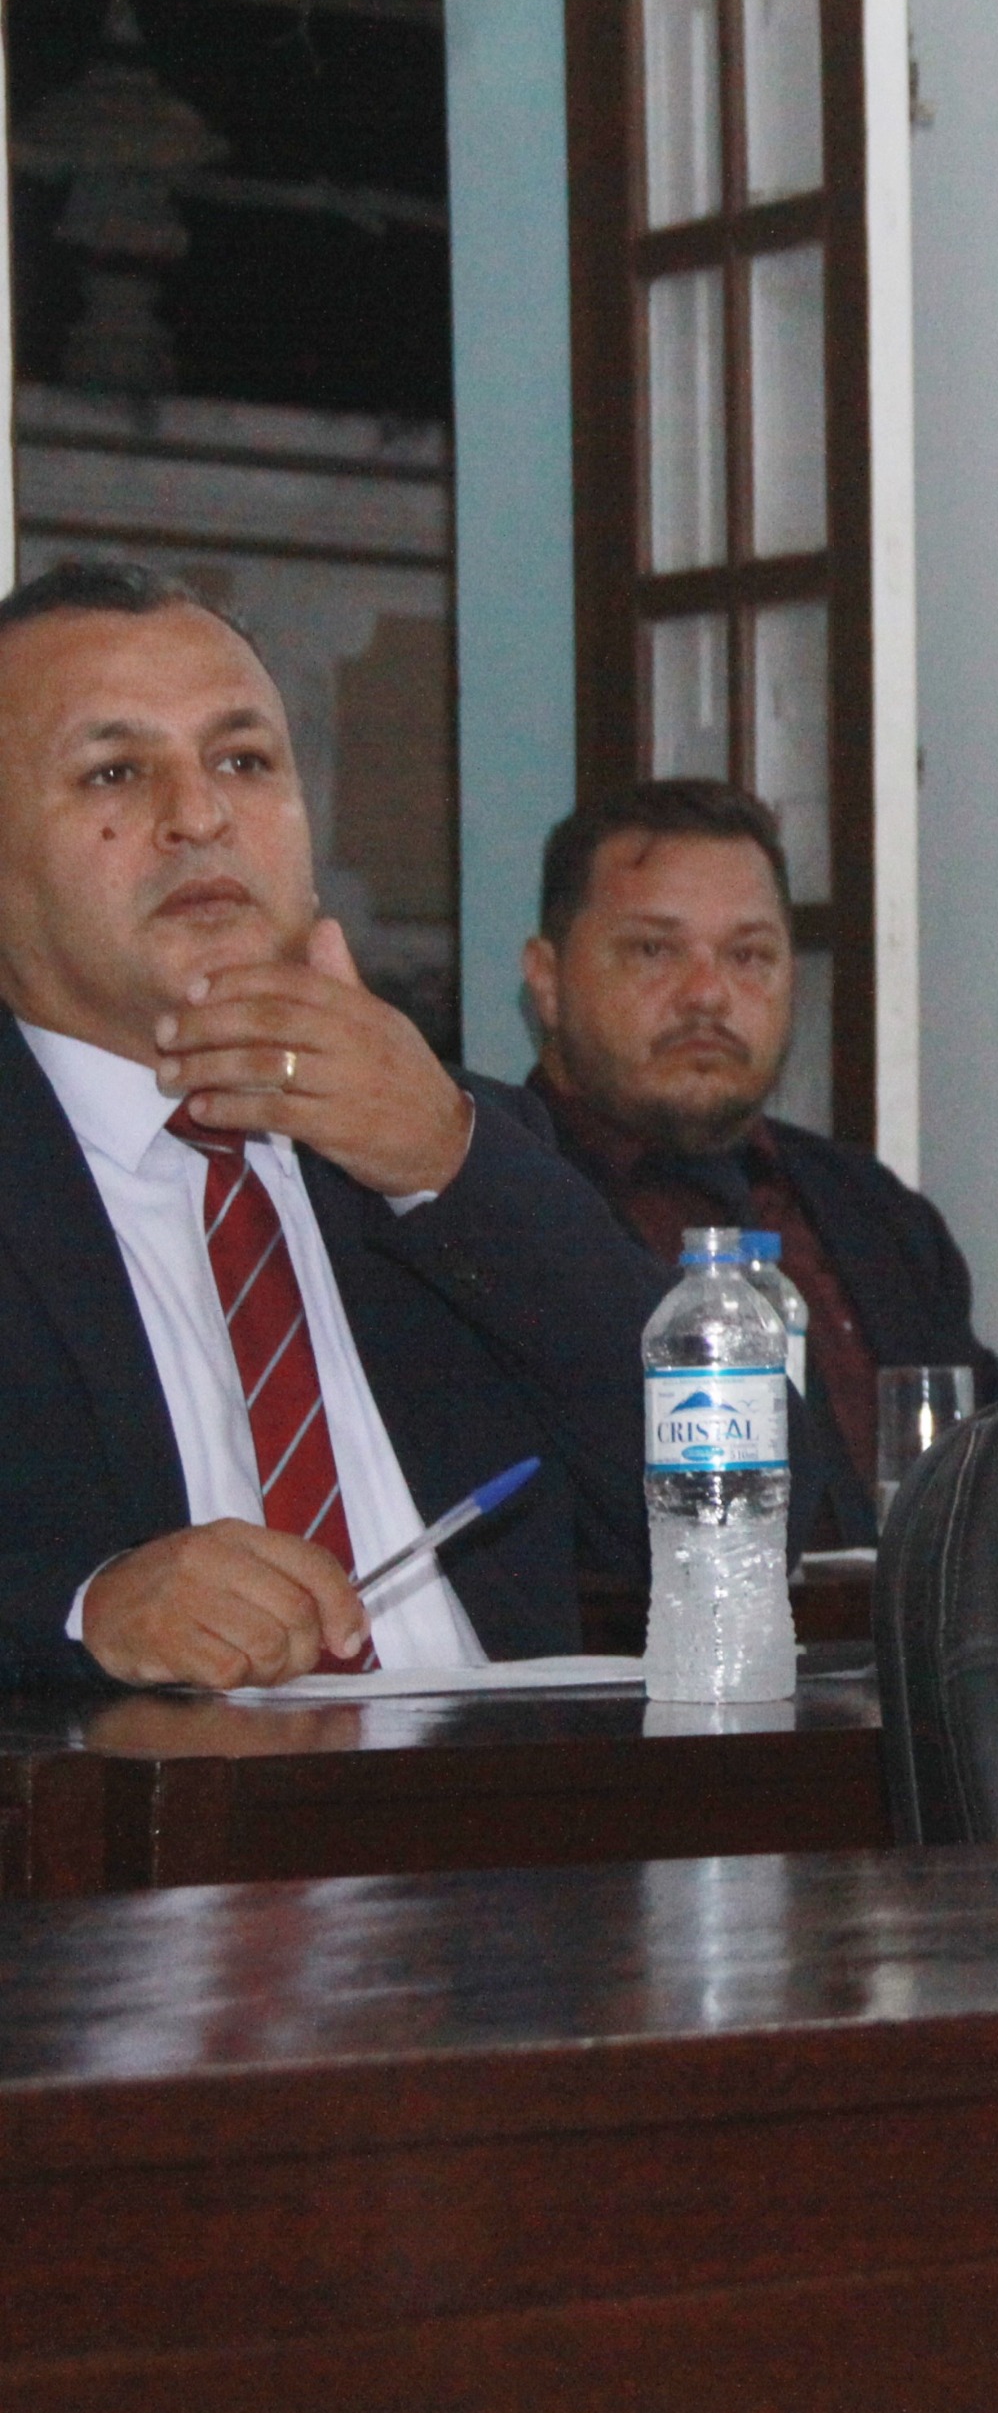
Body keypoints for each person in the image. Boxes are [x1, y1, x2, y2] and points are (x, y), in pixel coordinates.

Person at [0, 561, 661, 1689]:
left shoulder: (453, 1148)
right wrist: (84, 1610)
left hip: (506, 1788)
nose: (200, 816)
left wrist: (452, 1166)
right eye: (115, 771)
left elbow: (759, 1502)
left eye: (244, 761)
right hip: (154, 1798)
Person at [522, 778, 998, 1546]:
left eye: (748, 954)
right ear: (547, 980)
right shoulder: (493, 1205)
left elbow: (996, 1500)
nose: (708, 994)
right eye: (653, 950)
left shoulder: (876, 1214)